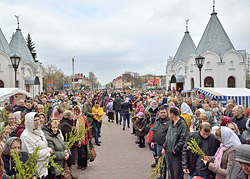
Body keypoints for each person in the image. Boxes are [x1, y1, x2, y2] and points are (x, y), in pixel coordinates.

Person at [20, 112, 52, 179]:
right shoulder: (26, 136)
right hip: (36, 171)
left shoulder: (39, 131)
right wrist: (47, 151)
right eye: (35, 120)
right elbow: (32, 155)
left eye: (38, 119)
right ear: (29, 122)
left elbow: (44, 145)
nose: (38, 122)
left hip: (44, 168)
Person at [162, 107, 188, 179]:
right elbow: (168, 136)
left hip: (177, 155)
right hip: (170, 153)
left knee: (178, 175)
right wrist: (164, 147)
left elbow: (184, 139)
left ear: (172, 114)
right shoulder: (171, 123)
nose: (168, 115)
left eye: (168, 113)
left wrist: (176, 150)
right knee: (172, 173)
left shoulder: (182, 125)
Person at [151, 106, 170, 179]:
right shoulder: (157, 120)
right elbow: (155, 131)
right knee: (160, 163)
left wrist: (165, 147)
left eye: (164, 112)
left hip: (167, 147)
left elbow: (169, 135)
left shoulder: (169, 121)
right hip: (158, 145)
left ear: (167, 112)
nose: (163, 114)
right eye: (161, 113)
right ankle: (162, 176)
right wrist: (153, 140)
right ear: (158, 113)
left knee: (168, 164)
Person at [74, 106, 91, 170]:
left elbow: (87, 127)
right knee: (78, 151)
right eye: (75, 112)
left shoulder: (84, 118)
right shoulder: (74, 119)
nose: (76, 113)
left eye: (77, 112)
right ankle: (79, 164)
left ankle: (84, 164)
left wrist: (89, 136)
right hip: (77, 137)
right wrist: (74, 120)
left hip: (84, 137)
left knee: (84, 151)